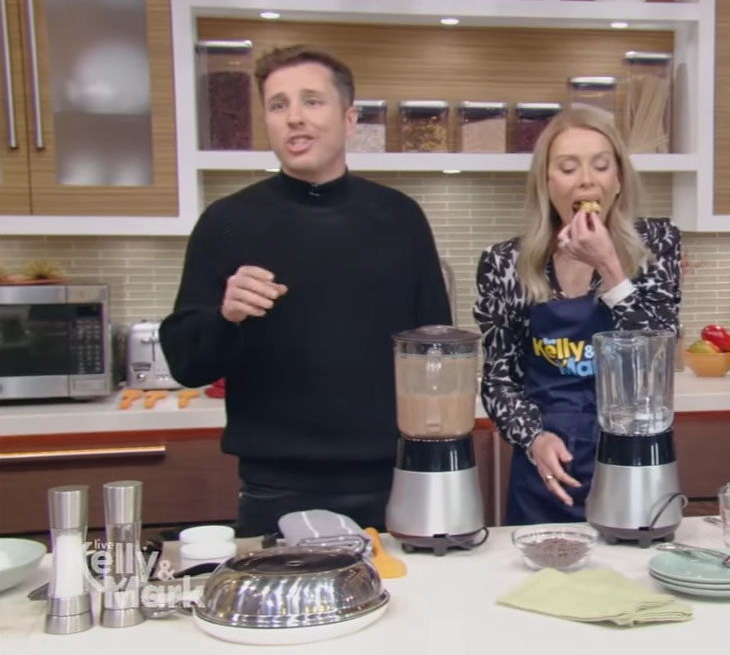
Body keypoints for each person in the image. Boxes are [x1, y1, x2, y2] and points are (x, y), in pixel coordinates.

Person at [160, 46, 451, 536]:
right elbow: (186, 364)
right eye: (278, 105)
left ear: (349, 118)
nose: (294, 117)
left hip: (390, 479)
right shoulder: (226, 223)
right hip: (274, 487)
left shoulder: (400, 218)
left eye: (312, 101)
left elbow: (434, 352)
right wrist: (225, 315)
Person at [474, 105, 681, 525]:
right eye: (568, 168)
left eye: (601, 166)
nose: (586, 180)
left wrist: (610, 268)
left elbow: (656, 360)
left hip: (633, 464)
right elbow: (499, 380)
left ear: (618, 180)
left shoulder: (657, 246)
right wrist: (533, 439)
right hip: (545, 470)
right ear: (547, 182)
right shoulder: (505, 263)